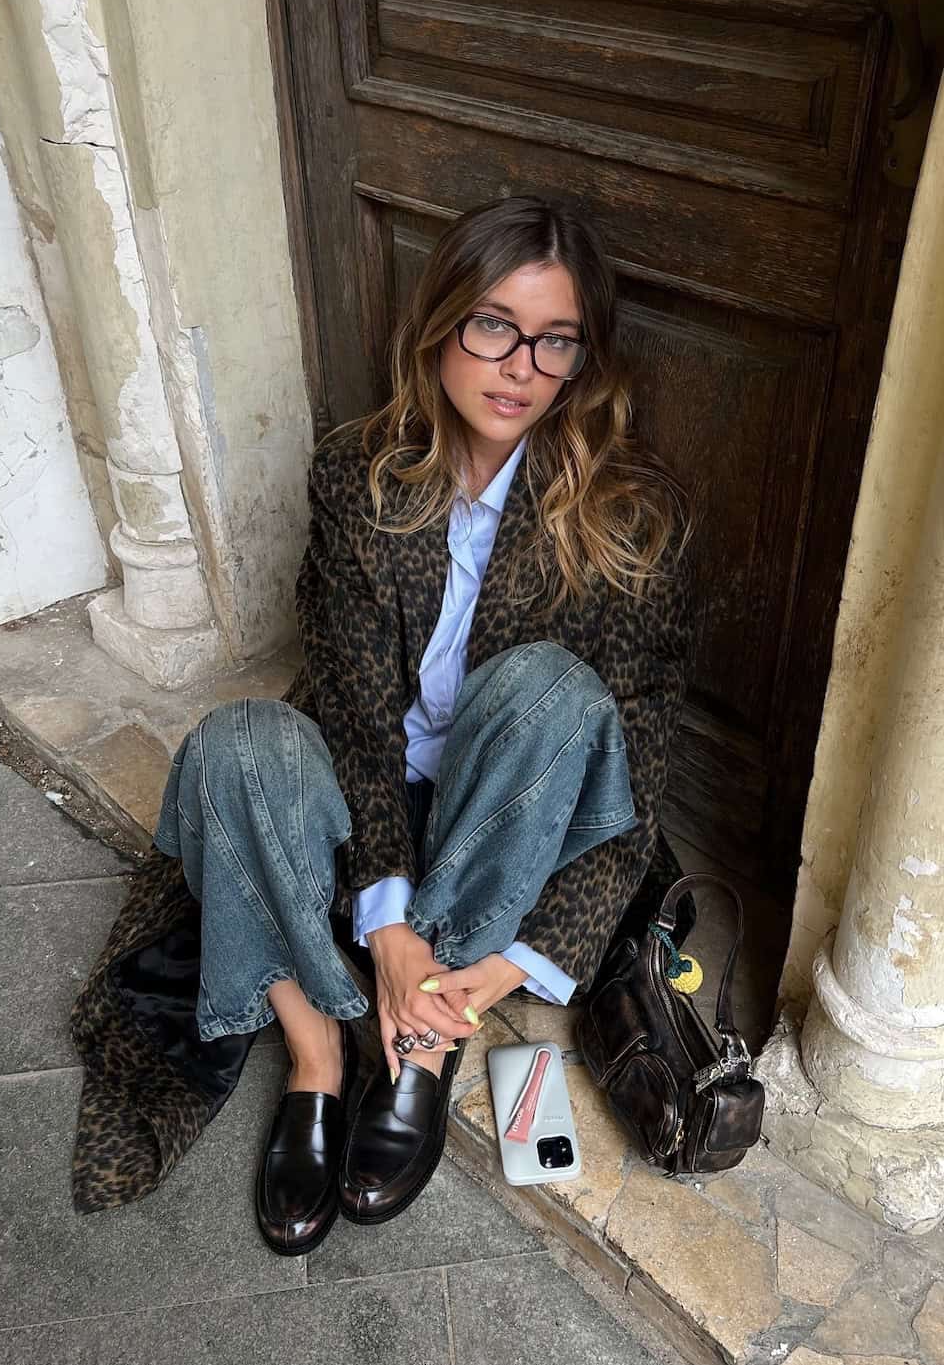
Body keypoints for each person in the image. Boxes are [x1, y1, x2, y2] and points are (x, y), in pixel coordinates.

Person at [149, 193, 693, 1254]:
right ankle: (315, 1053)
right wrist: (388, 924)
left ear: (584, 360)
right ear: (440, 326)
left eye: (555, 340)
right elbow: (354, 715)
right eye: (493, 325)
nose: (519, 366)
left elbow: (631, 764)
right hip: (380, 783)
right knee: (236, 746)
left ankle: (422, 1049)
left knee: (551, 689)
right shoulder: (360, 477)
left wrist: (503, 968)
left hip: (514, 796)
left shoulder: (631, 520)